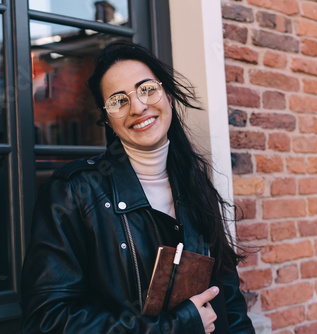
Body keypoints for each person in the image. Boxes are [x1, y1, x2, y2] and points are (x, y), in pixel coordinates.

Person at [21, 40, 255, 333]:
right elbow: (46, 321)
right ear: (106, 118)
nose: (138, 107)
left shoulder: (196, 185)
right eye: (118, 100)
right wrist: (174, 327)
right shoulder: (73, 193)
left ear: (168, 95)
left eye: (147, 89)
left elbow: (230, 303)